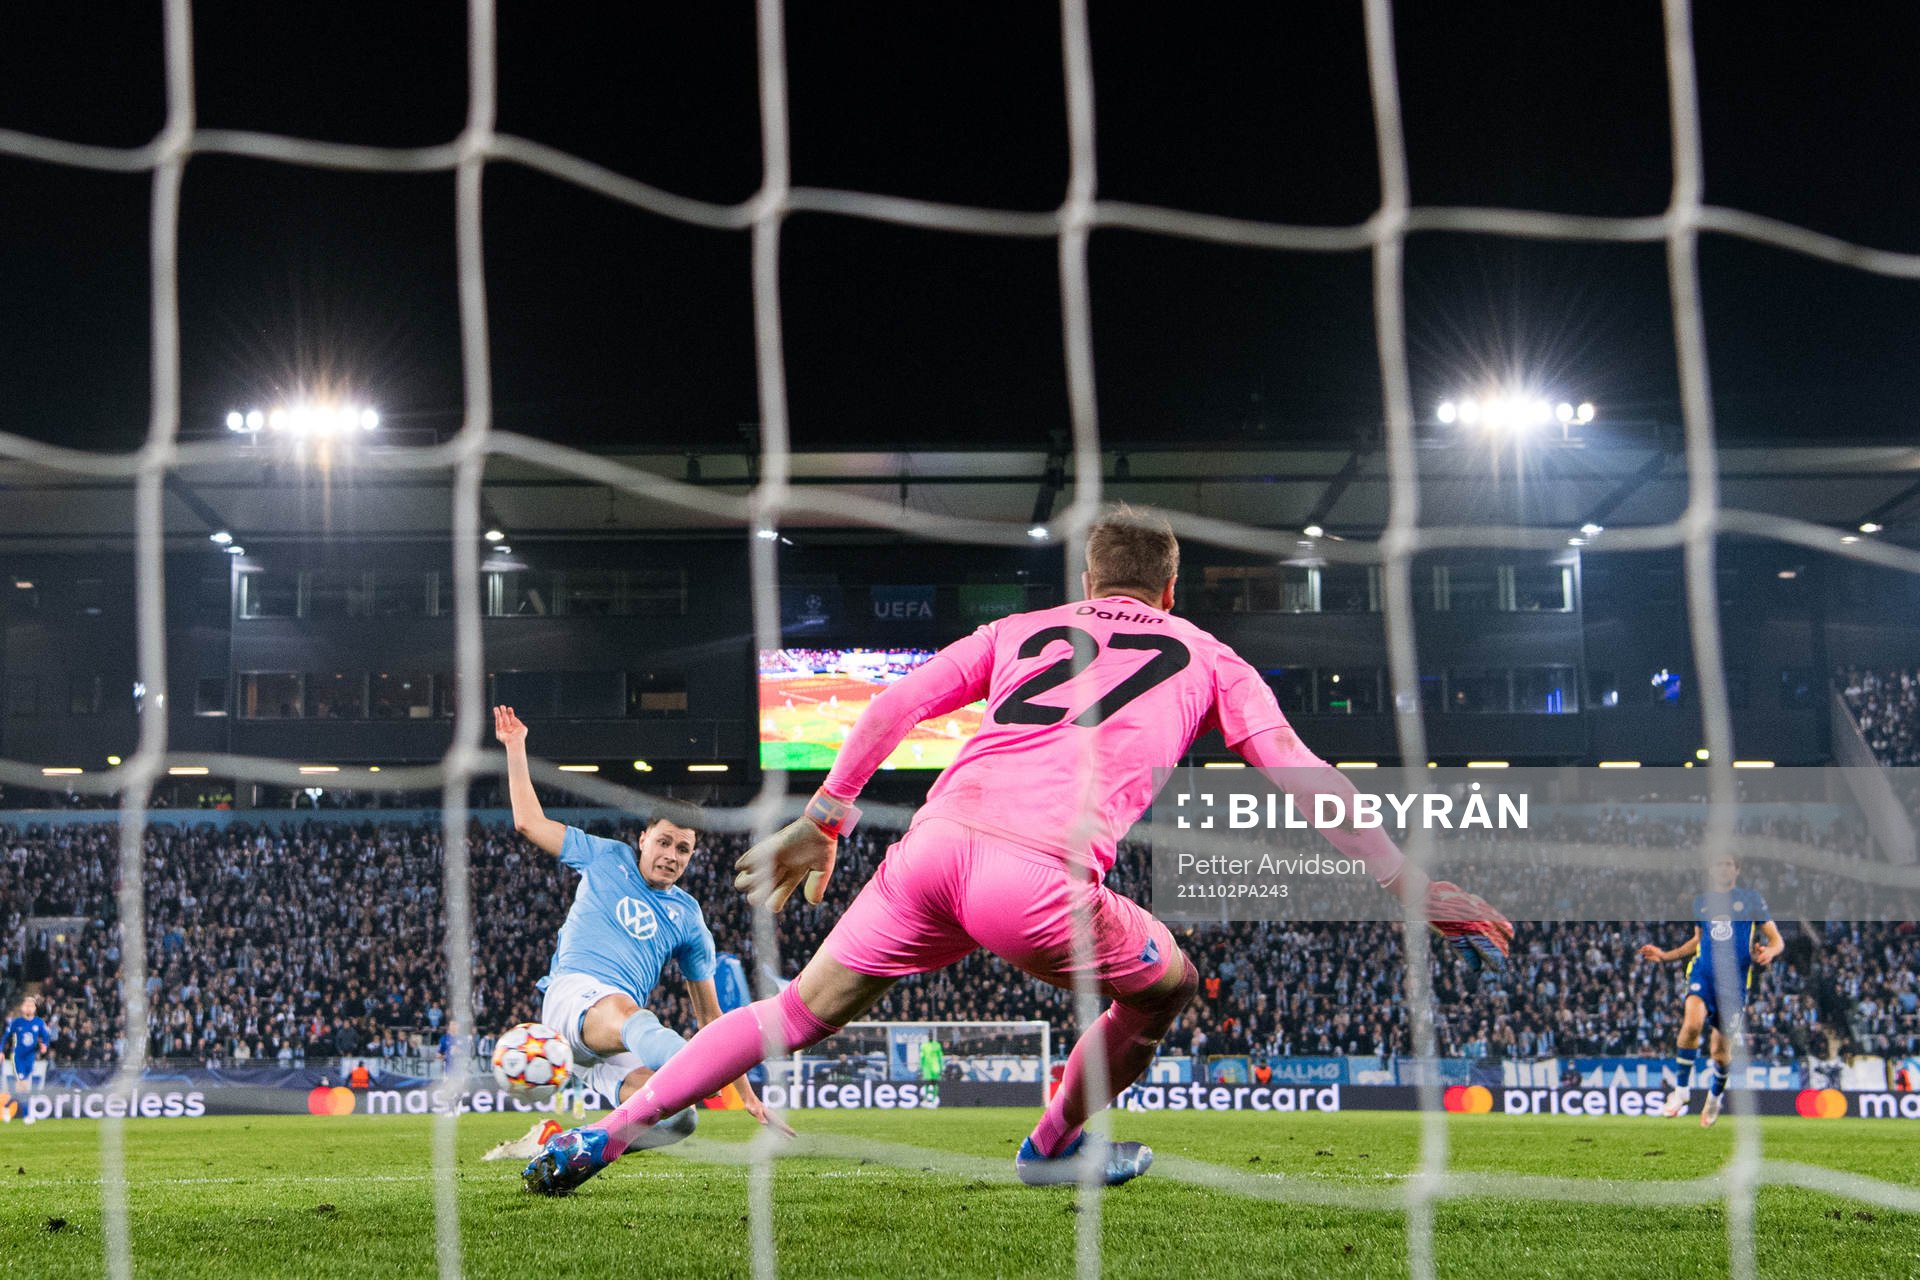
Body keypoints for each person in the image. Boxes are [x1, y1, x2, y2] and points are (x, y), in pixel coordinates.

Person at [522, 504, 1510, 1195]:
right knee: (1166, 986)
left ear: (1086, 580)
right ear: (1168, 588)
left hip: (929, 851)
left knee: (794, 1011)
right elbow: (1299, 771)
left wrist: (825, 817)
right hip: (1033, 876)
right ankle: (1051, 1142)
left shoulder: (1023, 627)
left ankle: (603, 1133)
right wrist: (1403, 878)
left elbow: (899, 701)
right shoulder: (1208, 655)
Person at [485, 705, 781, 1163]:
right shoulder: (606, 858)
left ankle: (563, 1146)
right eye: (664, 842)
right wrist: (516, 747)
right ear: (643, 839)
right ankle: (682, 1070)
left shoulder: (688, 918)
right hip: (575, 997)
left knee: (678, 1119)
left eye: (683, 849)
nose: (671, 855)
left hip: (611, 1034)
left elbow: (711, 1019)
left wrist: (745, 1094)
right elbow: (529, 822)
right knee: (640, 1022)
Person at [1637, 853, 1783, 1127]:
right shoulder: (1701, 902)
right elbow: (1697, 941)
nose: (1723, 868)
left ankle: (1715, 1097)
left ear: (1737, 869)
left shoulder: (1750, 900)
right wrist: (1665, 955)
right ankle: (1681, 1092)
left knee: (1720, 1053)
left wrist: (1770, 953)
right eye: (1718, 863)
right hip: (1703, 971)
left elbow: (1777, 940)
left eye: (1728, 863)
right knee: (1692, 1023)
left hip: (1735, 982)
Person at [4, 996, 53, 1094]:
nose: (28, 1008)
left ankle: (22, 1098)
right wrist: (1, 1050)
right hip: (18, 1055)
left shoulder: (39, 1022)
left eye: (31, 1005)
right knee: (21, 1079)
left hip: (31, 1054)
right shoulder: (17, 1022)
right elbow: (5, 1036)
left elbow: (46, 1036)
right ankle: (19, 1099)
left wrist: (45, 1045)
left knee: (25, 1078)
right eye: (26, 1005)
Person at [918, 1033, 945, 1103]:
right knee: (928, 1083)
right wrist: (921, 1068)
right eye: (929, 1036)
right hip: (927, 1068)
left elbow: (940, 1057)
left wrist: (942, 1067)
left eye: (931, 1036)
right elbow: (922, 1058)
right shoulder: (924, 1046)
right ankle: (927, 1099)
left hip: (935, 1068)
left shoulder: (937, 1045)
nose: (930, 1037)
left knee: (934, 1084)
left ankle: (933, 1099)